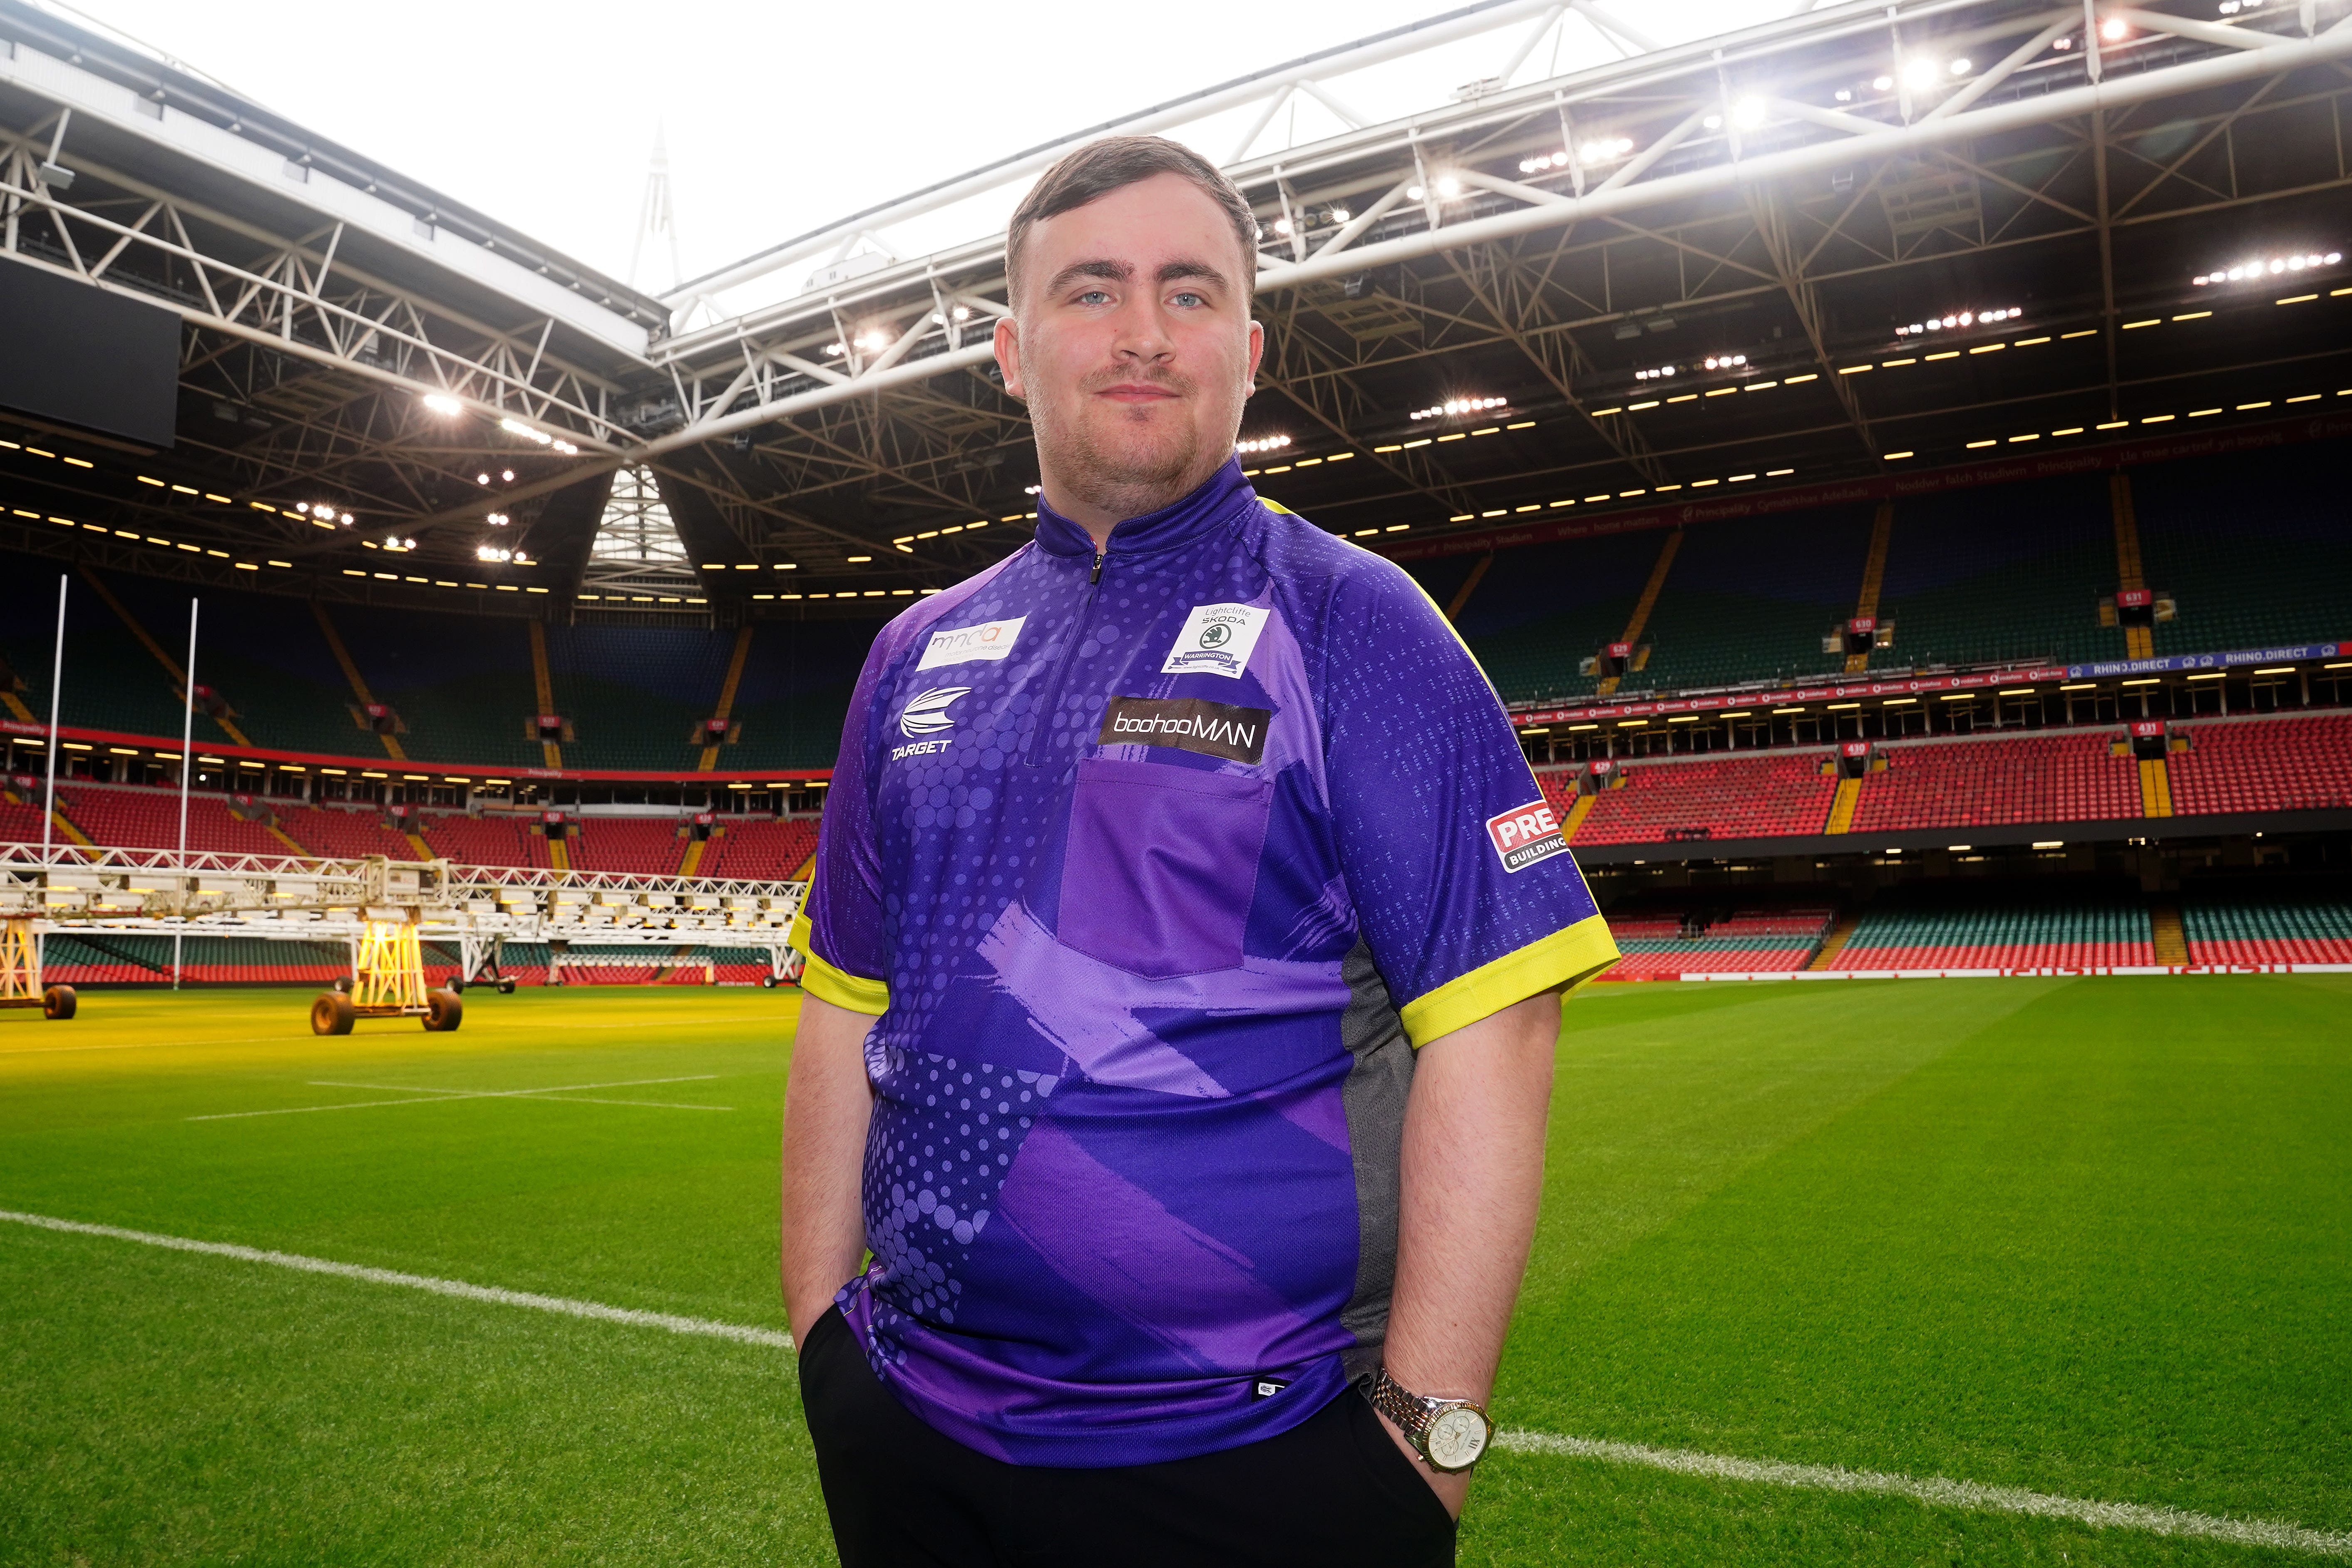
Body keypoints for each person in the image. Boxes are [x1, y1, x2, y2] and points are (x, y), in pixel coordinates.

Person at [782, 134, 1618, 1567]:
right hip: (909, 1432)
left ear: (1248, 344)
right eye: (1092, 290)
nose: (1143, 334)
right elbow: (840, 1006)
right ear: (1009, 347)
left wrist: (1424, 1451)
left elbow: (1500, 1024)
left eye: (1188, 292)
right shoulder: (911, 654)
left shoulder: (1358, 623)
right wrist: (820, 1345)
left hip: (1254, 1454)